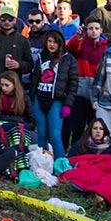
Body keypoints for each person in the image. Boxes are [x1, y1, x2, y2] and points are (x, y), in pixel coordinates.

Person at [31, 28, 78, 159]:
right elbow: (34, 79)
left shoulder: (68, 60)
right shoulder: (41, 58)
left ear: (61, 43)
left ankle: (61, 166)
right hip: (39, 99)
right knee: (41, 135)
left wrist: (68, 104)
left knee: (55, 136)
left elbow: (73, 84)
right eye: (49, 41)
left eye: (55, 42)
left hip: (56, 101)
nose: (52, 44)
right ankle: (43, 164)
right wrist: (32, 98)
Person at [66, 15, 108, 148]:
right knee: (77, 127)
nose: (93, 31)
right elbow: (71, 47)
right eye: (90, 28)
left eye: (96, 28)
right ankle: (75, 151)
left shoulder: (105, 49)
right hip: (81, 93)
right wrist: (78, 37)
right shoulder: (81, 44)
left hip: (97, 96)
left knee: (95, 127)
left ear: (101, 30)